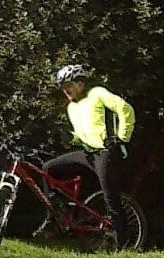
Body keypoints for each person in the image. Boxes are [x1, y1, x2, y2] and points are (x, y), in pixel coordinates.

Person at [42, 62, 134, 239]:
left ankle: (123, 241)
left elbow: (125, 109)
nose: (65, 91)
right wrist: (71, 138)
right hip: (87, 153)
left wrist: (122, 137)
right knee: (48, 169)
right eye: (63, 88)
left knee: (110, 197)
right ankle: (55, 217)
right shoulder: (72, 108)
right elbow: (83, 135)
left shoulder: (97, 94)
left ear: (80, 83)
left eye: (68, 86)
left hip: (105, 151)